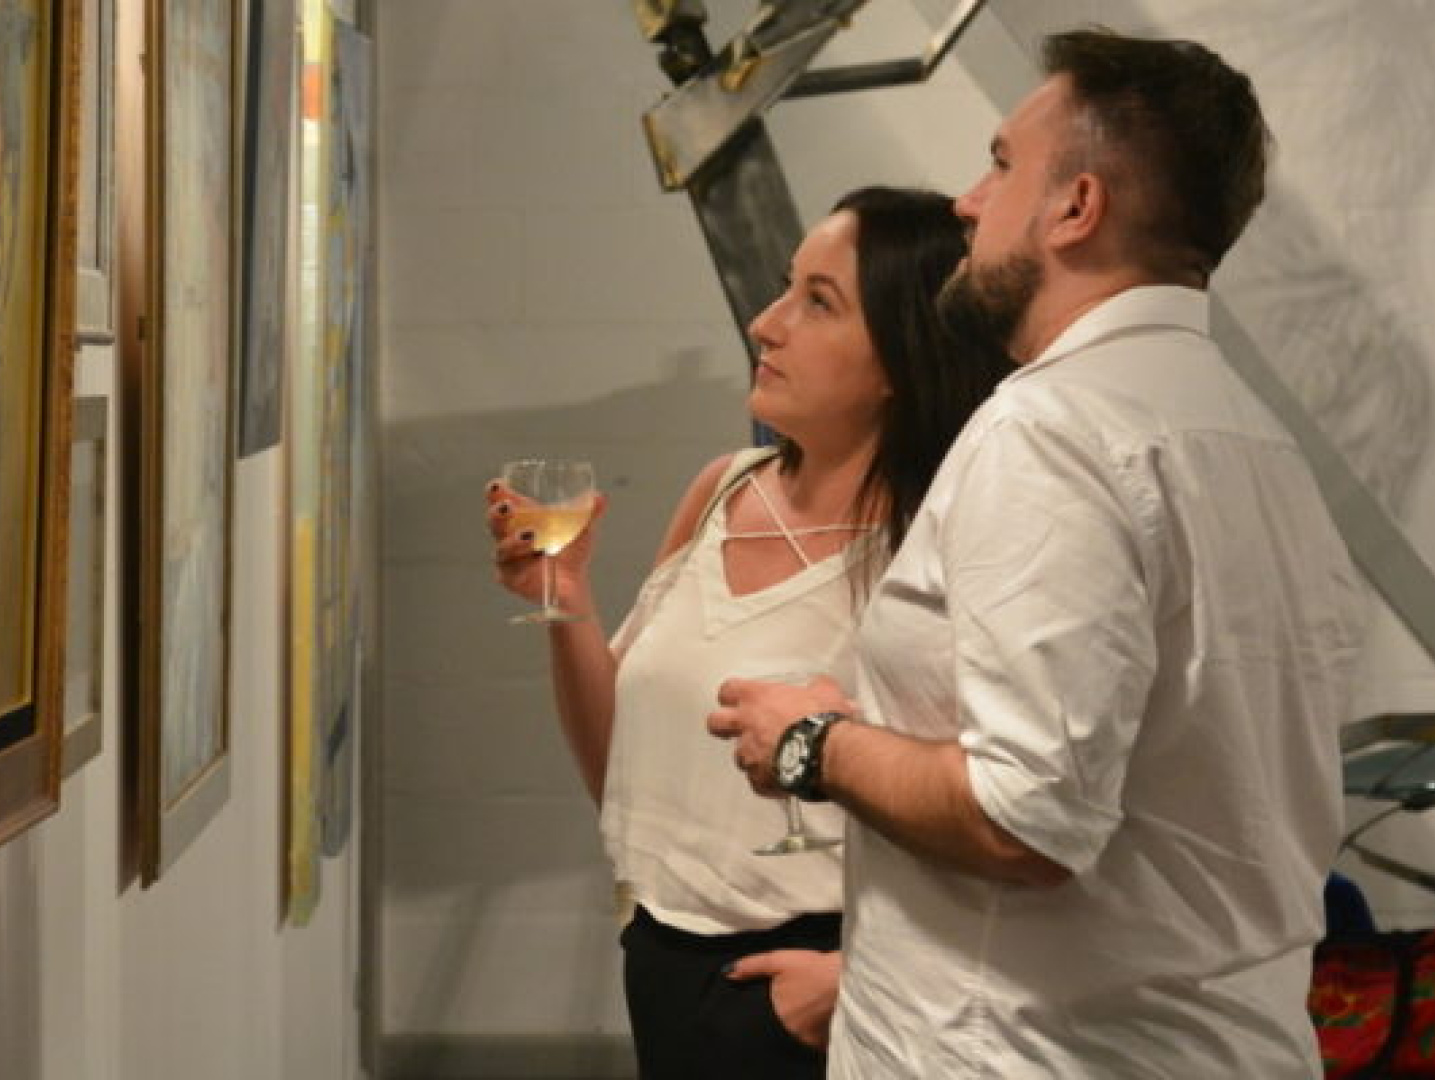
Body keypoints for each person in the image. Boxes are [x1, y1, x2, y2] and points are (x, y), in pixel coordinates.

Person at [708, 28, 1365, 1078]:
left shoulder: (1053, 431)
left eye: (1002, 164)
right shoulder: (1253, 439)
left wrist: (812, 742)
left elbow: (1026, 821)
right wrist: (878, 725)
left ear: (1076, 207)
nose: (968, 202)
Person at [484, 186, 1012, 1079]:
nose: (766, 324)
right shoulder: (724, 487)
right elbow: (619, 770)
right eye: (783, 289)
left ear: (900, 355)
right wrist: (565, 598)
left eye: (819, 302)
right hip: (664, 954)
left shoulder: (934, 541)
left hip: (818, 979)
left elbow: (1003, 809)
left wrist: (852, 978)